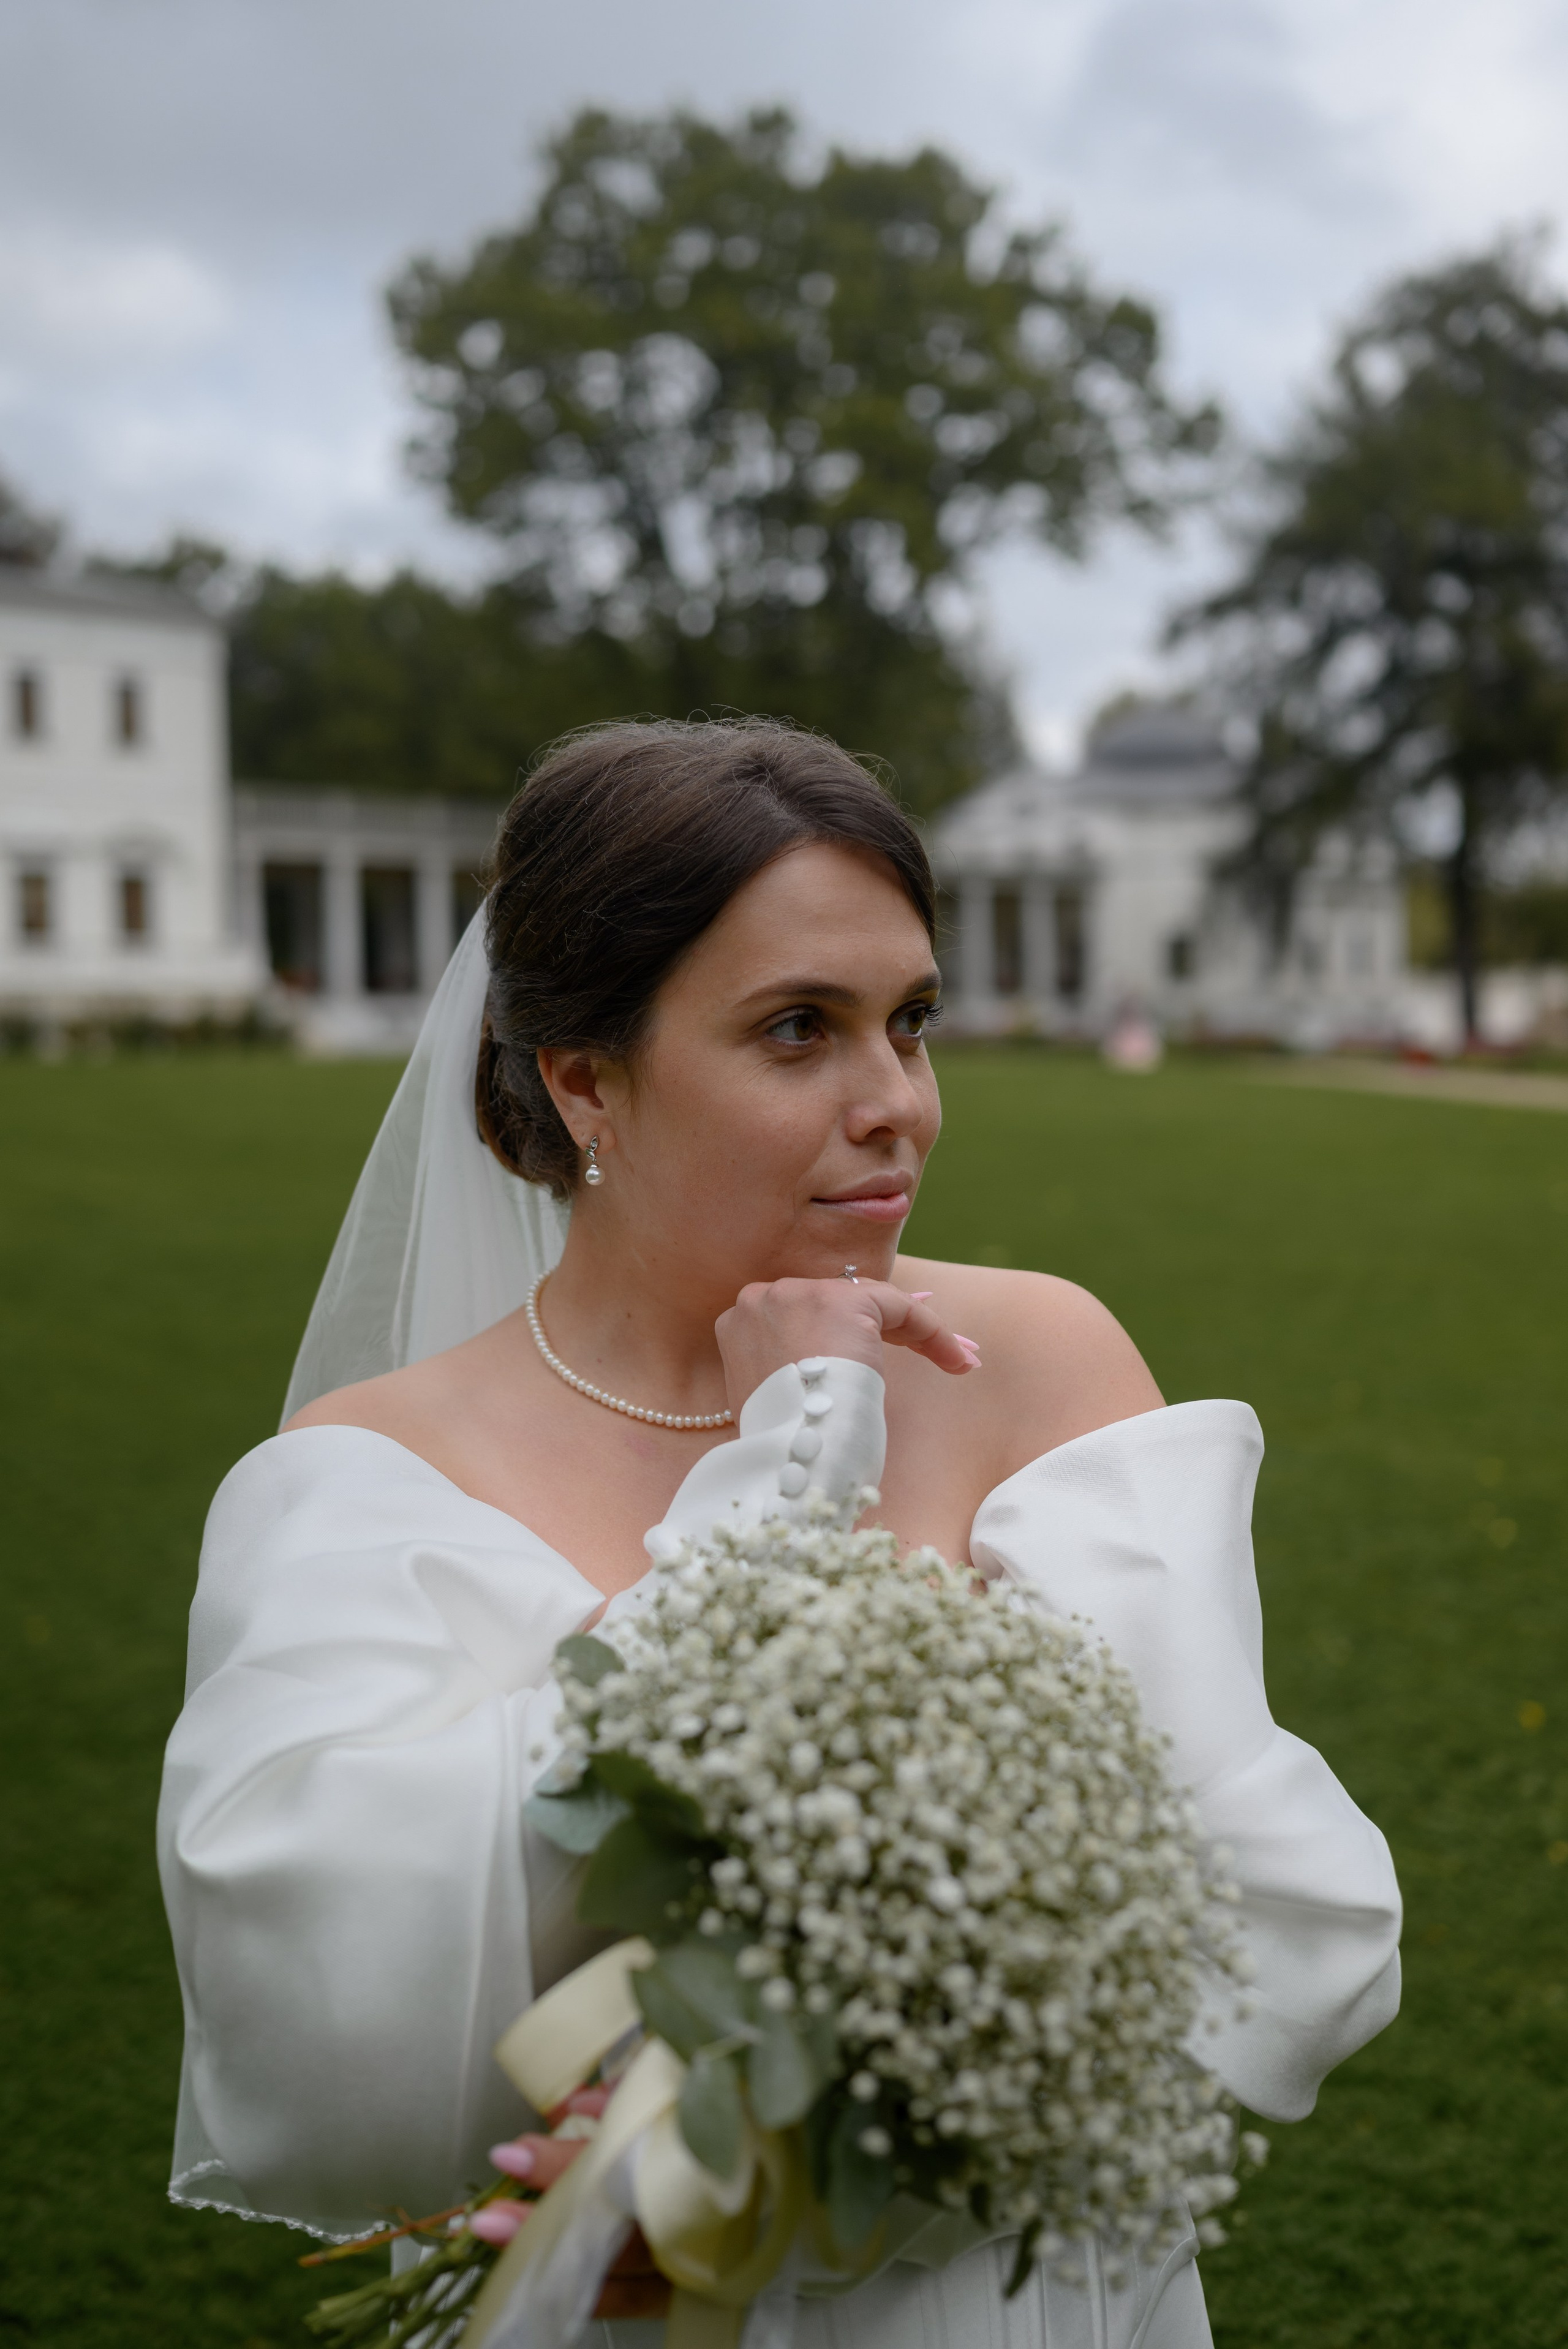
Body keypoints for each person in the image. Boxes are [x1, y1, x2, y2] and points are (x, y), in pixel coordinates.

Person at [158, 718, 1401, 2349]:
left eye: (912, 1021)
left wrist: (889, 2114)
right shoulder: (366, 1478)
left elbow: (1297, 1914)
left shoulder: (1044, 1365)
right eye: (800, 1029)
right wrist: (790, 1456)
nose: (897, 1104)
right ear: (584, 1075)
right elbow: (326, 2019)